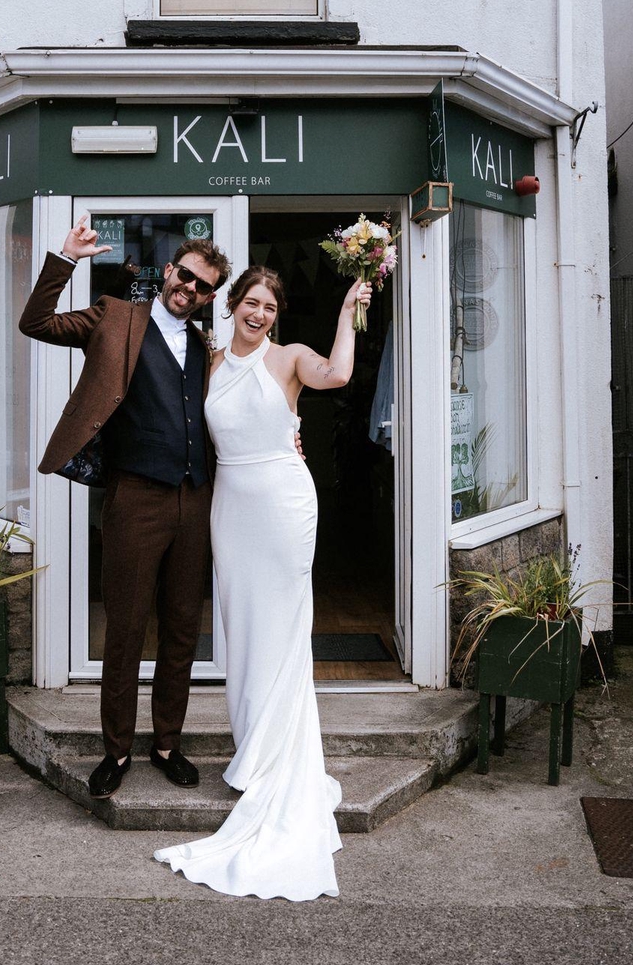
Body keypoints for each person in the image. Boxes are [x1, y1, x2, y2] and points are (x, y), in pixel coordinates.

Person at [155, 265, 372, 902]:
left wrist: (346, 313)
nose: (259, 314)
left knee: (282, 628)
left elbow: (339, 375)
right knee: (242, 628)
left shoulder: (292, 358)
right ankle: (252, 749)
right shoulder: (208, 364)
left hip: (282, 502)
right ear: (232, 304)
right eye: (251, 302)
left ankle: (277, 758)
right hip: (231, 506)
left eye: (270, 307)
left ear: (278, 315)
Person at [18, 215, 230, 800]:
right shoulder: (115, 316)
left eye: (204, 286)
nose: (190, 289)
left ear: (210, 297)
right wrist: (66, 258)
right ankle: (116, 750)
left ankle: (166, 744)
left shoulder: (204, 347)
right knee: (127, 631)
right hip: (135, 498)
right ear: (169, 271)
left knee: (182, 629)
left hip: (195, 499)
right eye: (186, 276)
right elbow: (35, 322)